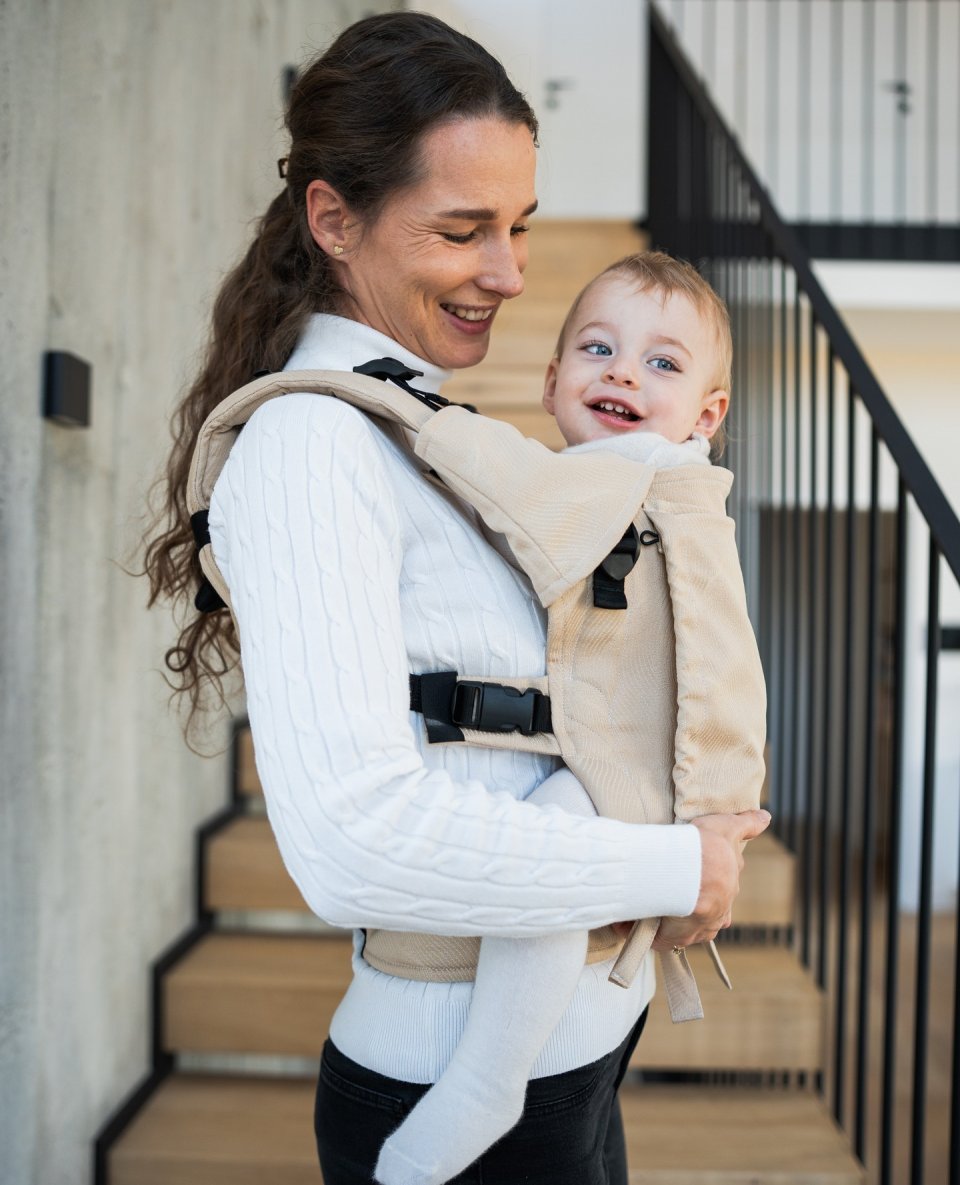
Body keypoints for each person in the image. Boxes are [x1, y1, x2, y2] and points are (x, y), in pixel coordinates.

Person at [143, 13, 770, 1185]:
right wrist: (679, 869)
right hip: (455, 1090)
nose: (511, 273)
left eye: (522, 227)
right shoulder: (310, 445)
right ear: (335, 219)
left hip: (576, 1061)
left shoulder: (434, 434)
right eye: (462, 230)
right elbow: (354, 842)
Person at [373, 251, 766, 1185]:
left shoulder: (658, 477)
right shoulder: (609, 486)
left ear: (706, 419)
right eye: (599, 348)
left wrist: (409, 407)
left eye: (664, 365)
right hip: (609, 762)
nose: (625, 372)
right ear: (552, 385)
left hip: (634, 784)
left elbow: (725, 661)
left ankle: (489, 1078)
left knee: (547, 844)